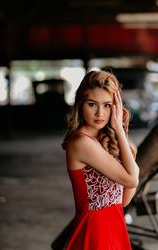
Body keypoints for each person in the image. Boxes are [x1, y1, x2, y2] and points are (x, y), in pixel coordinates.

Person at [62, 70, 139, 250]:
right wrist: (119, 129)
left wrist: (118, 135)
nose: (100, 113)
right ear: (81, 104)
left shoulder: (104, 141)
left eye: (107, 105)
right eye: (92, 104)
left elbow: (121, 201)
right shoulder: (81, 143)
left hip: (114, 231)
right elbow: (132, 178)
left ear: (116, 108)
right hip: (94, 235)